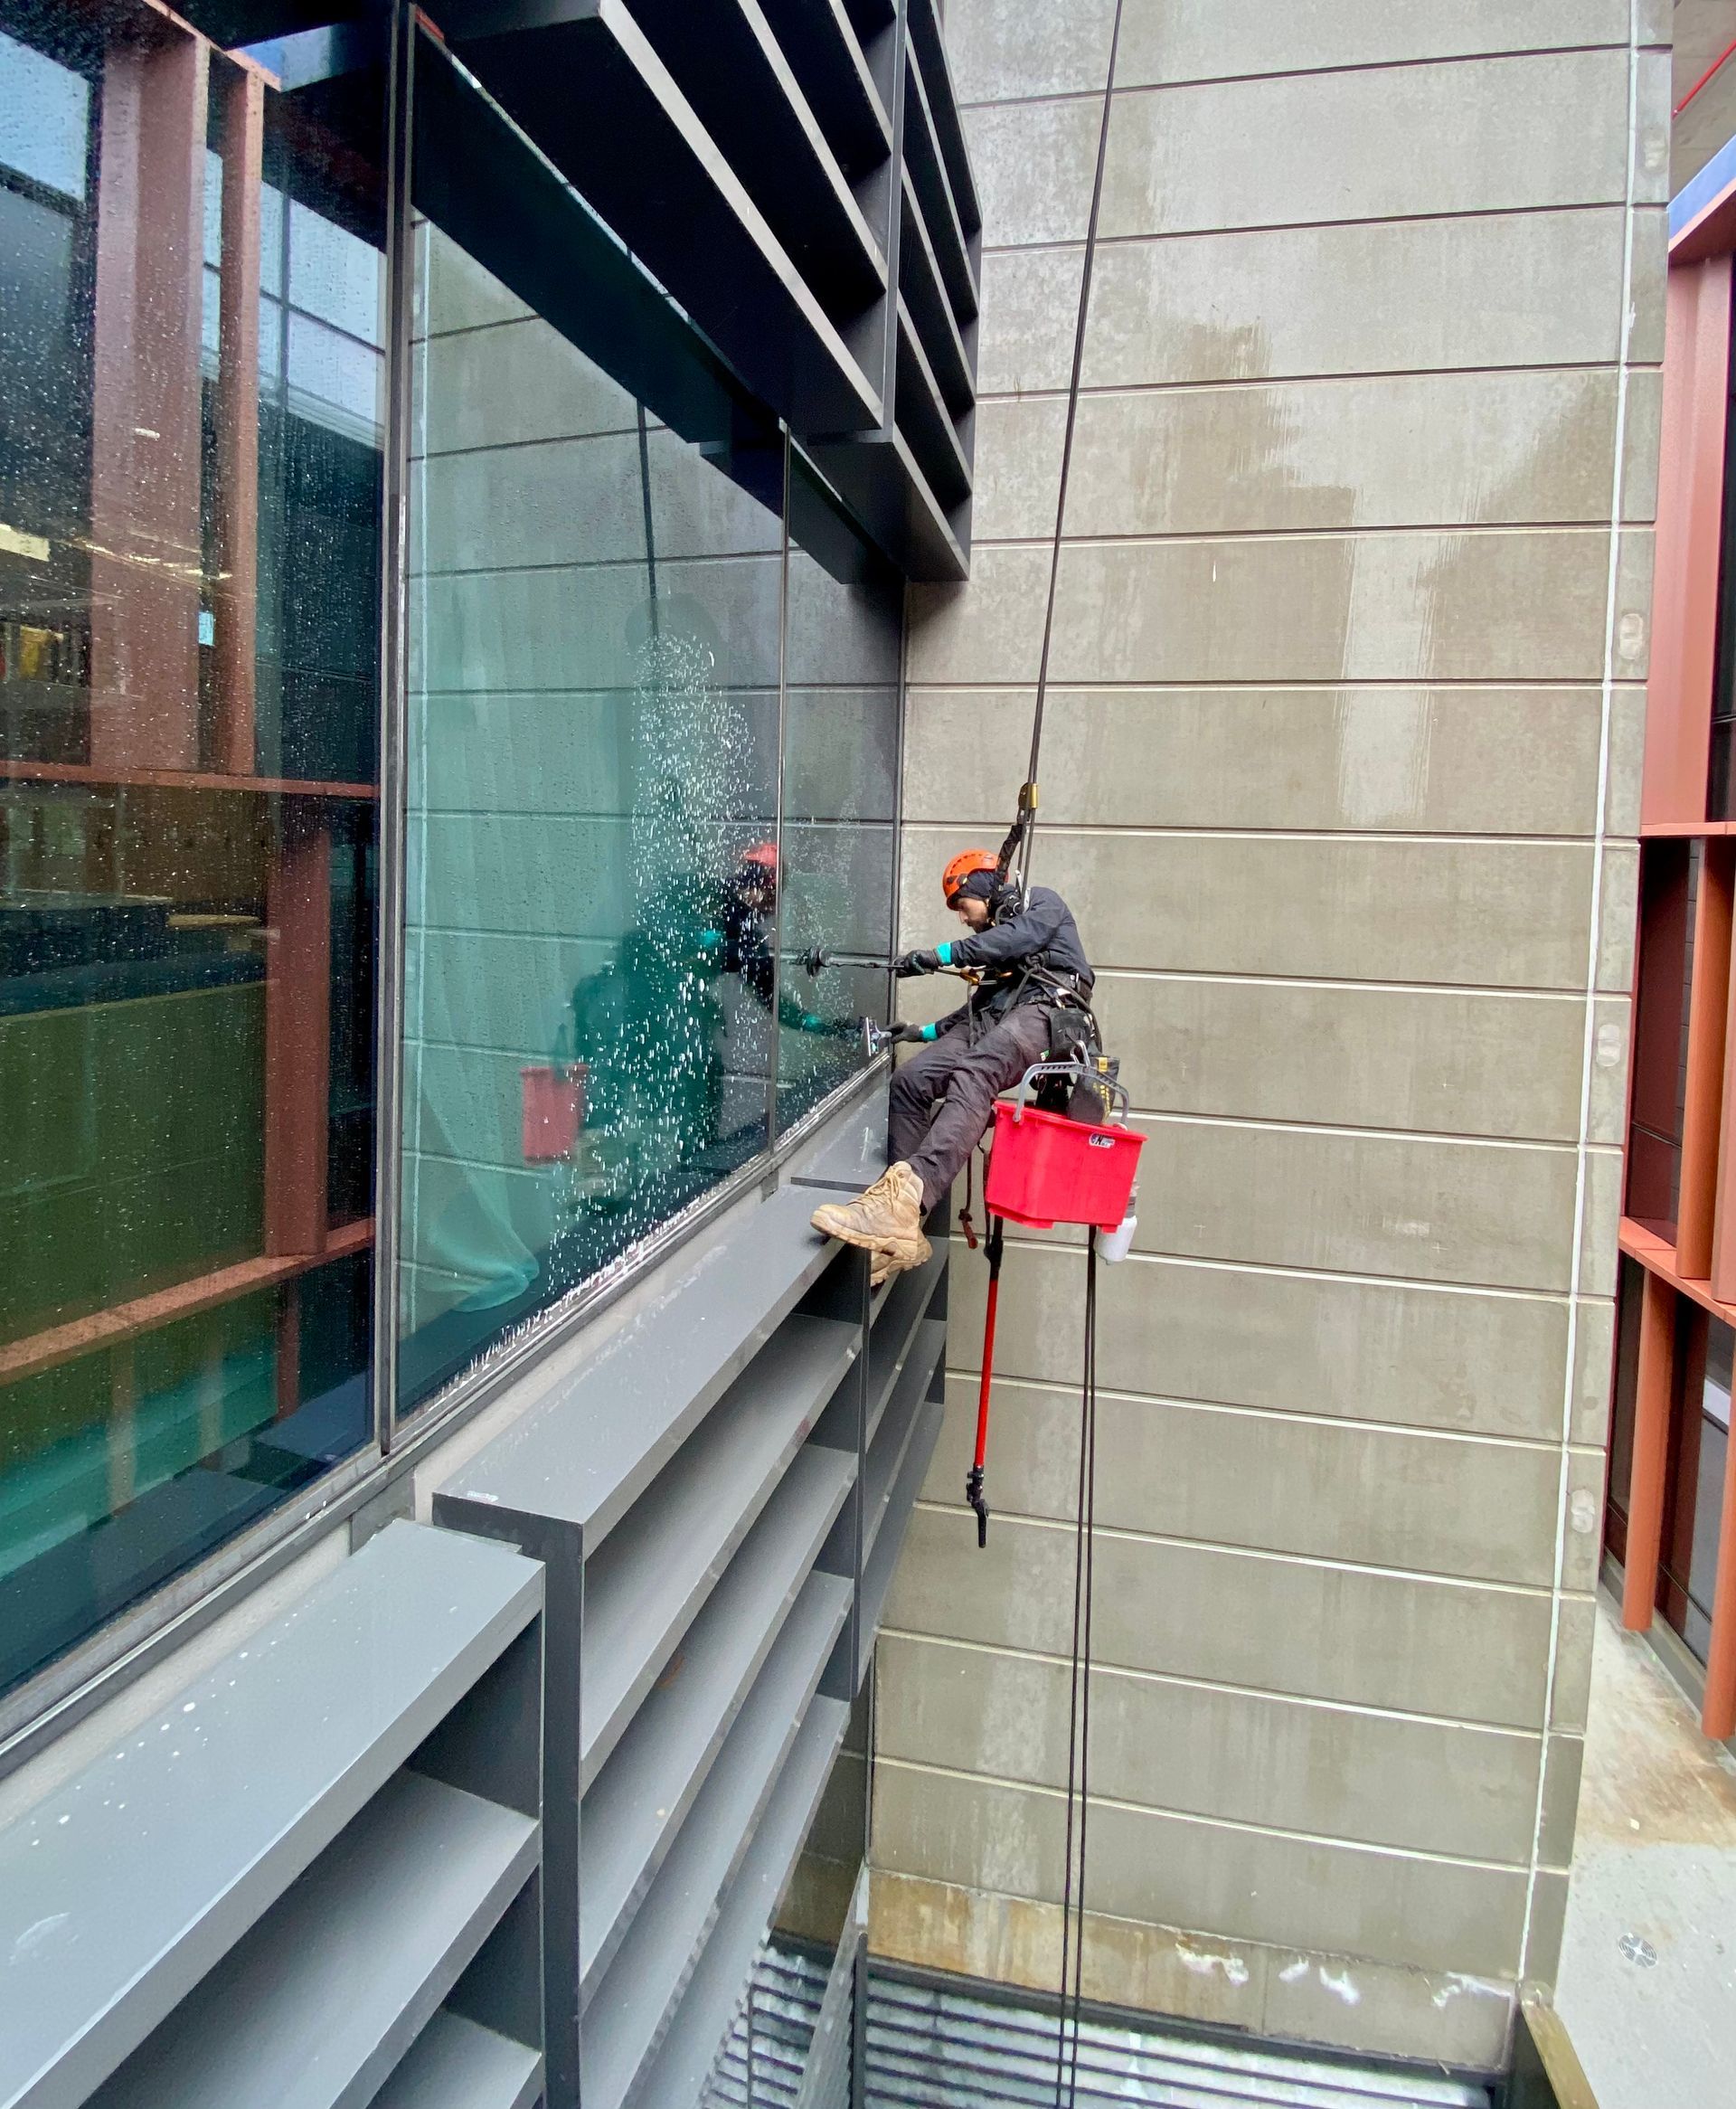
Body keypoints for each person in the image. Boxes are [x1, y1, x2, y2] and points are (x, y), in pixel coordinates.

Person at [808, 848, 1096, 1279]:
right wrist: (919, 1032)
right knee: (911, 1081)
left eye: (962, 906)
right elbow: (977, 1011)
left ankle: (910, 1196)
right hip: (1001, 1020)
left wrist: (941, 955)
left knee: (976, 1072)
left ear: (983, 887)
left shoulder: (1041, 905)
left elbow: (1013, 939)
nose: (961, 917)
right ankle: (901, 1224)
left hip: (1050, 1014)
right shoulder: (1000, 950)